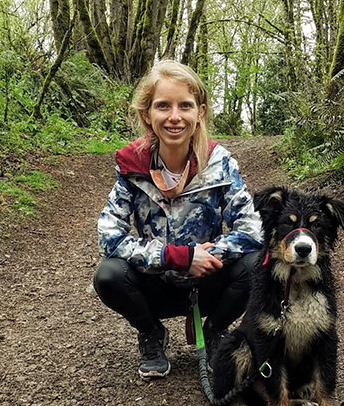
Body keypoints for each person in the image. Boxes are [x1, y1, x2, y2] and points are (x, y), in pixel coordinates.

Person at [93, 60, 263, 379]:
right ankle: (151, 333)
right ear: (147, 114)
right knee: (108, 275)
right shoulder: (132, 165)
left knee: (258, 264)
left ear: (200, 112)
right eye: (163, 106)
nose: (174, 116)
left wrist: (208, 256)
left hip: (209, 280)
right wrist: (179, 258)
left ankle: (214, 331)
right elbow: (109, 238)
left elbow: (253, 231)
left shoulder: (219, 164)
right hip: (154, 283)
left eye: (185, 105)